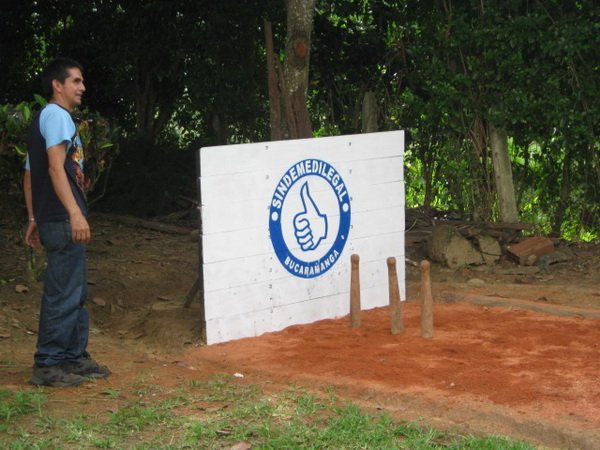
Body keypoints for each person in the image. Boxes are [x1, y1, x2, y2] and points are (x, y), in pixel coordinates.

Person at [23, 57, 109, 387]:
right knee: (63, 293)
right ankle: (48, 363)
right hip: (62, 218)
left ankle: (73, 356)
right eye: (75, 81)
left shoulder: (42, 119)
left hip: (52, 217)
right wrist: (75, 213)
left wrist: (34, 217)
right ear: (57, 86)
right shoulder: (57, 116)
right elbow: (55, 168)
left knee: (74, 290)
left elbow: (29, 174)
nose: (82, 87)